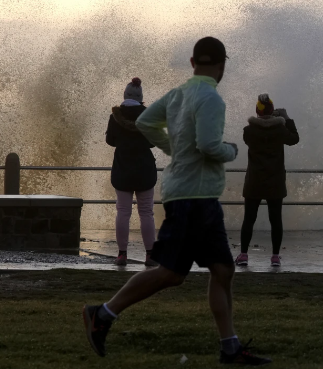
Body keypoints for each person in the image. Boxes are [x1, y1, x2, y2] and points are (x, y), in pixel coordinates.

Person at [83, 37, 272, 365]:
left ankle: (230, 347)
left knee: (223, 269)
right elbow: (210, 145)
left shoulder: (178, 94)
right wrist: (232, 150)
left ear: (192, 61)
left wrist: (173, 149)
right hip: (195, 197)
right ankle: (102, 314)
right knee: (171, 273)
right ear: (222, 64)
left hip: (189, 193)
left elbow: (144, 123)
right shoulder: (211, 98)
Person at [235, 94, 299, 268]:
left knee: (249, 218)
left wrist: (268, 119)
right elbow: (294, 139)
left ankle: (244, 255)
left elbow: (256, 129)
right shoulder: (280, 130)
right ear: (273, 111)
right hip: (275, 181)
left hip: (254, 181)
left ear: (257, 111)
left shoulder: (248, 131)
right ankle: (275, 257)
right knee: (275, 219)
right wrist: (285, 118)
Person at [106, 77, 158, 267]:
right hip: (144, 170)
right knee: (146, 213)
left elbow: (110, 141)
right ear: (140, 97)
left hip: (122, 169)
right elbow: (153, 142)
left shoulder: (115, 117)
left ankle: (122, 255)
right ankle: (150, 255)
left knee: (123, 212)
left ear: (125, 95)